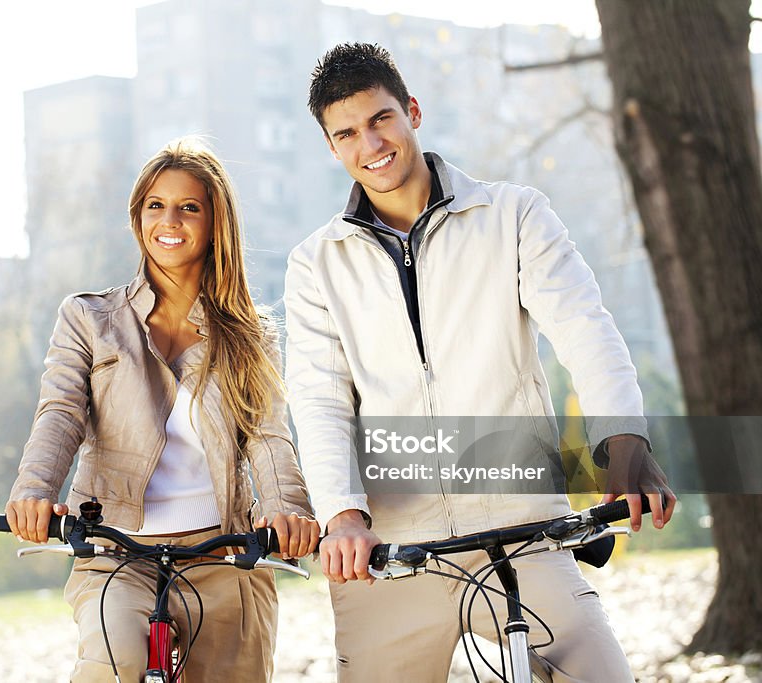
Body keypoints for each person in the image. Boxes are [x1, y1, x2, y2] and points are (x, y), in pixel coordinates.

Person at [283, 42, 677, 681]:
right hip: (393, 550)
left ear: (412, 111)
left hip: (520, 528)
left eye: (381, 118)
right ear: (333, 148)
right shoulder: (316, 264)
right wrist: (342, 514)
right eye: (347, 133)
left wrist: (624, 440)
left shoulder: (514, 215)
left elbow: (585, 329)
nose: (370, 143)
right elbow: (320, 399)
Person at [6, 137, 319, 683]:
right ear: (138, 217)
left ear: (214, 221)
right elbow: (59, 414)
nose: (169, 220)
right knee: (117, 660)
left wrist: (287, 508)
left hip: (224, 555)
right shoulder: (90, 319)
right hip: (114, 553)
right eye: (156, 205)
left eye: (188, 207)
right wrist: (34, 490)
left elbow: (268, 434)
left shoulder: (250, 333)